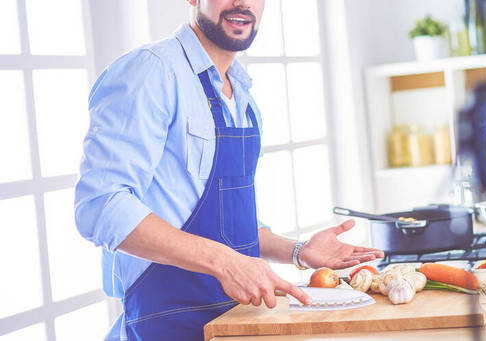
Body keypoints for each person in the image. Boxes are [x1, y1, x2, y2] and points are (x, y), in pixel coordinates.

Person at [74, 0, 384, 340]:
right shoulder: (151, 71)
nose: (243, 3)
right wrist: (225, 262)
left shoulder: (242, 96)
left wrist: (297, 251)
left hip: (238, 323)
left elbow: (226, 224)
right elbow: (100, 207)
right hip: (167, 327)